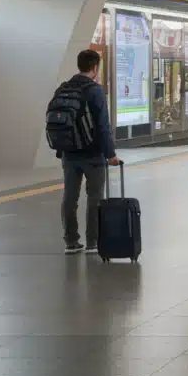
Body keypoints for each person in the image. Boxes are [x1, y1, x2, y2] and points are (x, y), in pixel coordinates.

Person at [49, 49, 120, 254]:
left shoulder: (63, 87)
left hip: (69, 152)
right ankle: (92, 242)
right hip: (92, 153)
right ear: (95, 67)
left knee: (69, 197)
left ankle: (71, 241)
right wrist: (111, 154)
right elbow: (102, 126)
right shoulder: (95, 90)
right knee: (95, 197)